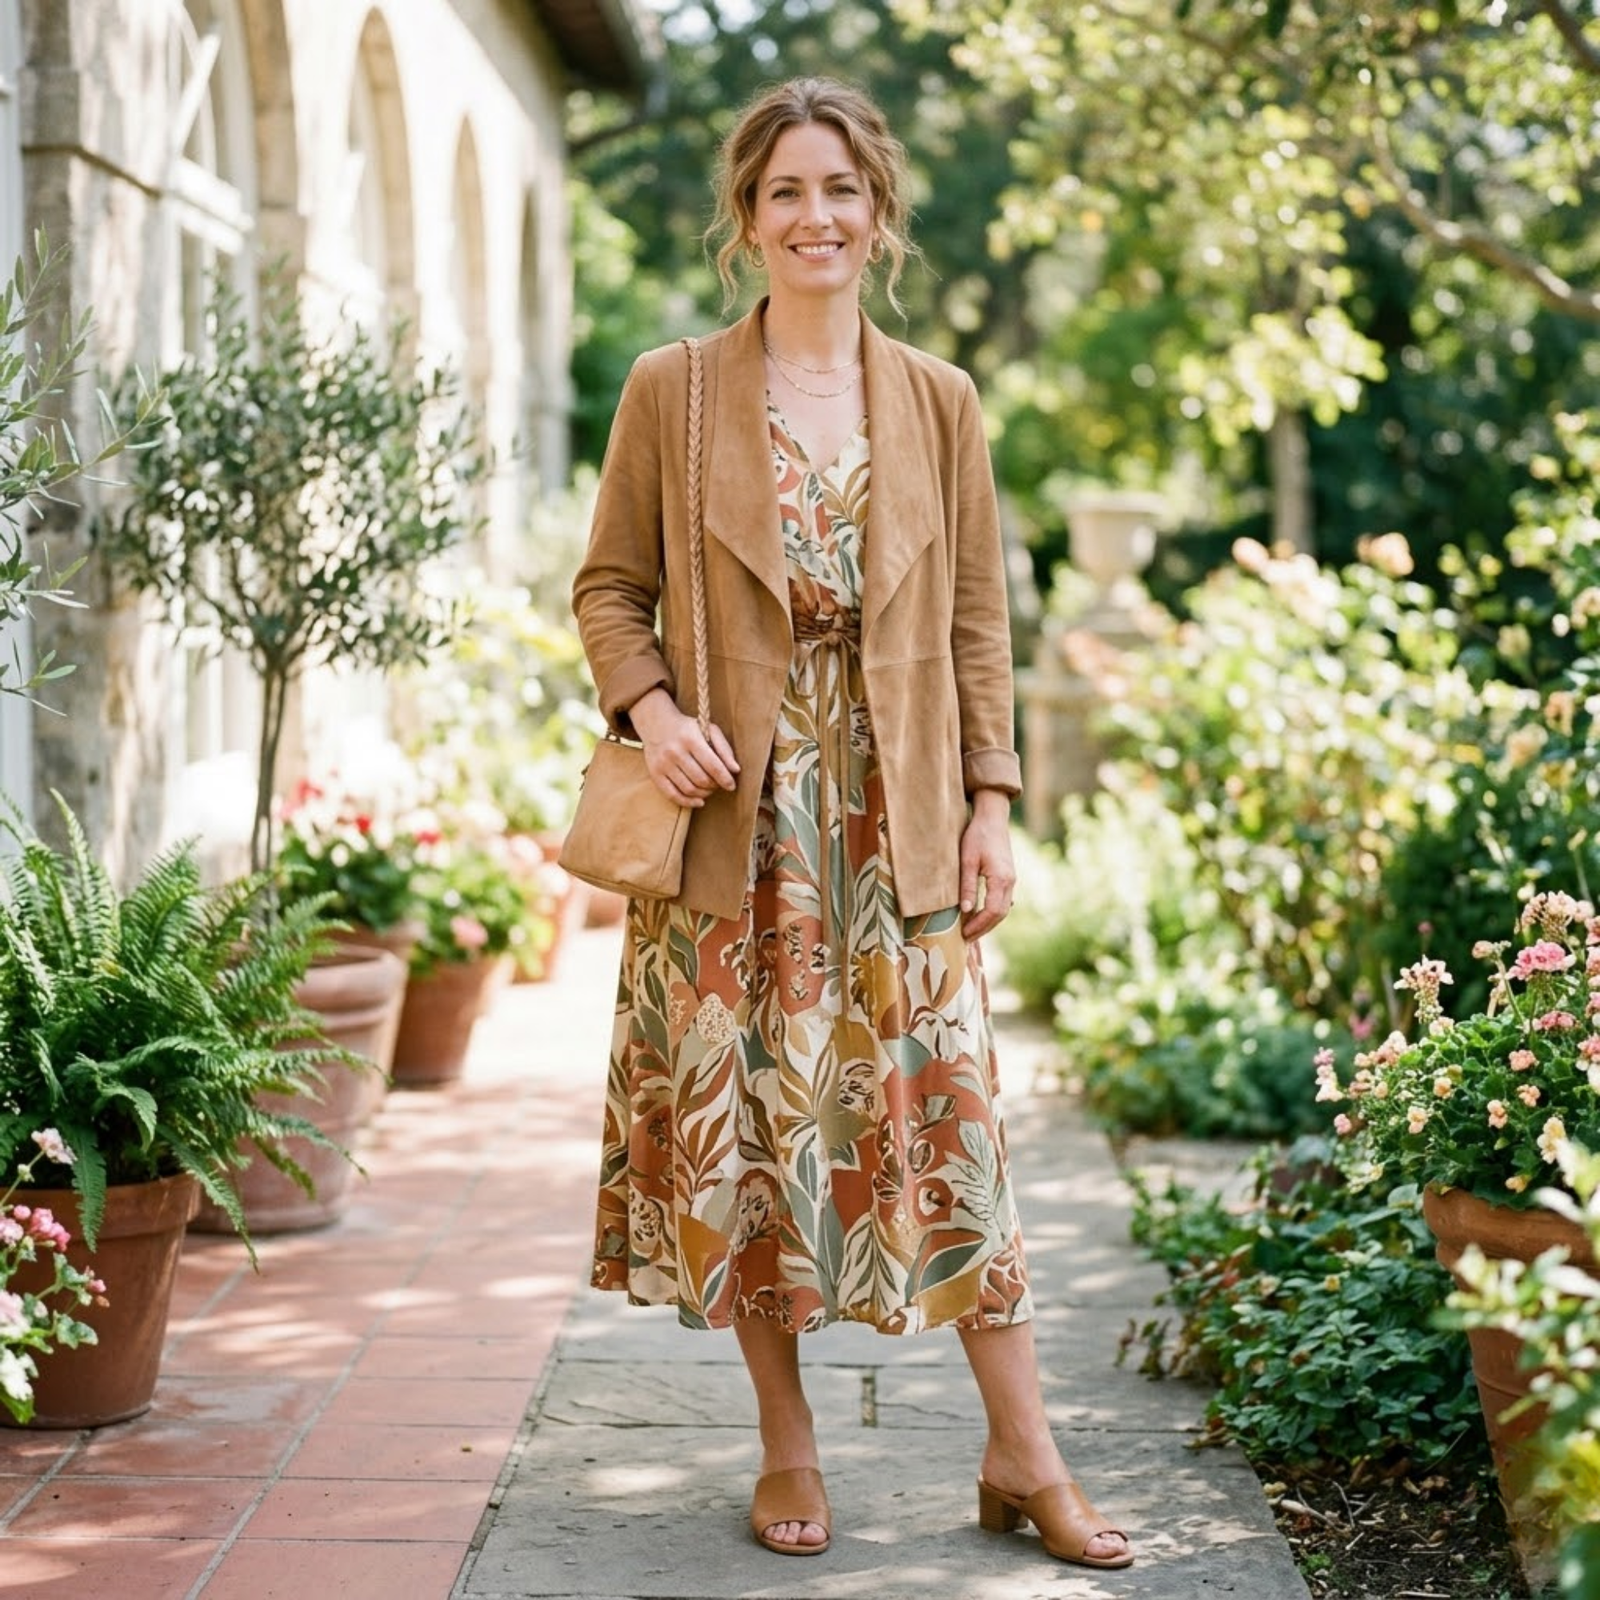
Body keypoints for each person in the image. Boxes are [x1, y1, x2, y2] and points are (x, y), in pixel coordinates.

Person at [570, 75, 1133, 1572]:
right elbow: (609, 588)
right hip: (731, 824)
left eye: (840, 190)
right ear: (746, 219)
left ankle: (1024, 1452)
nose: (814, 216)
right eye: (785, 192)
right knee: (755, 1129)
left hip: (901, 820)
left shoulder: (940, 399)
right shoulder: (675, 390)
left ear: (879, 215)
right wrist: (653, 714)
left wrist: (993, 804)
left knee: (951, 1128)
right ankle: (788, 1442)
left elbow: (978, 620)